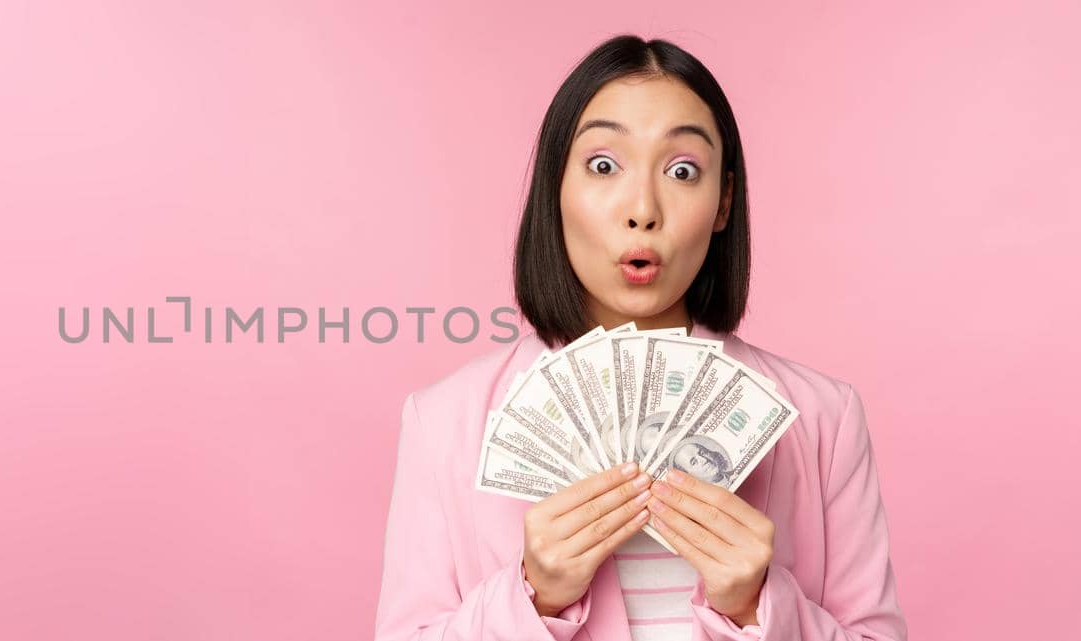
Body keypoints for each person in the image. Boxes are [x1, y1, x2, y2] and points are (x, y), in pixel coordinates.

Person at [373, 35, 907, 641]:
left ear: (724, 201)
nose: (643, 209)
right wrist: (532, 598)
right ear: (556, 189)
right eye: (604, 165)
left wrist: (757, 607)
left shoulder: (823, 420)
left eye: (683, 170)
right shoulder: (444, 422)